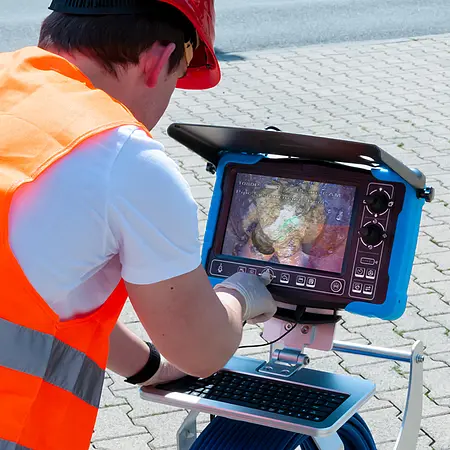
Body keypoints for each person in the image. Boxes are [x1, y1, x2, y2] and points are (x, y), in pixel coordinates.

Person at [0, 1, 277, 448]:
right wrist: (239, 297)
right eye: (175, 80)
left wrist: (150, 367)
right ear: (155, 62)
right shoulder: (123, 157)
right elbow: (201, 351)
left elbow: (35, 295)